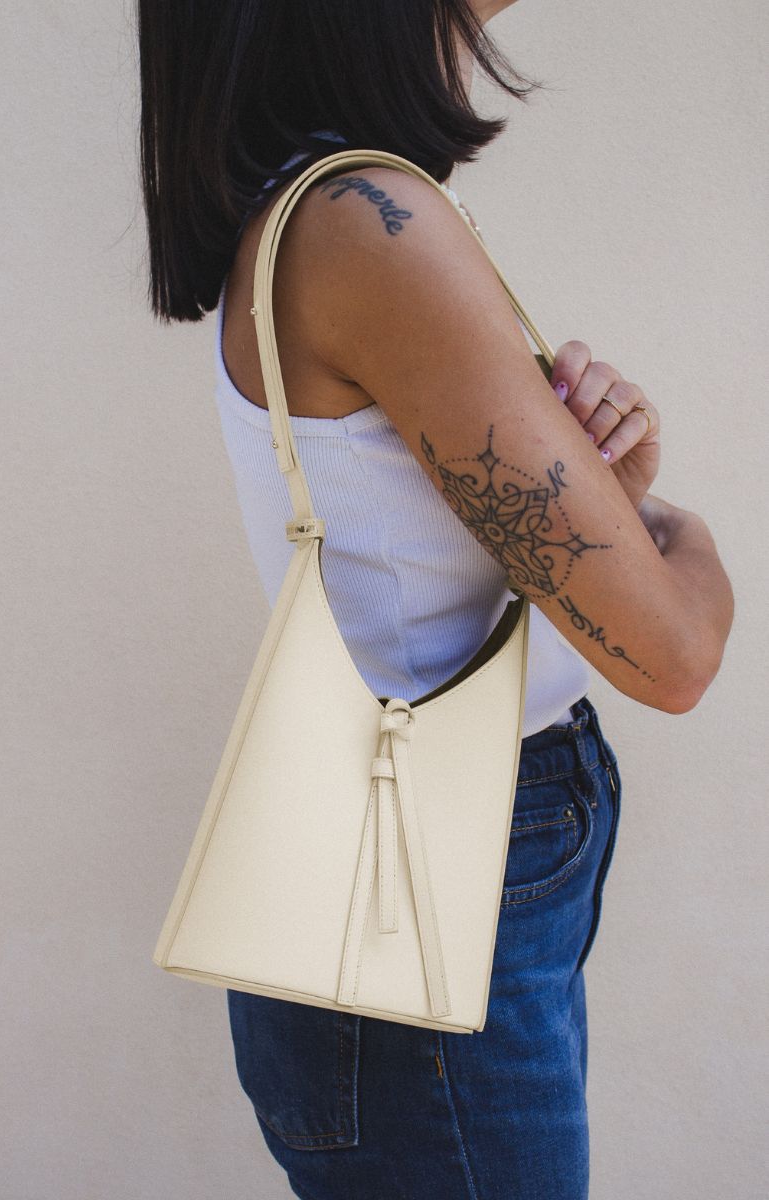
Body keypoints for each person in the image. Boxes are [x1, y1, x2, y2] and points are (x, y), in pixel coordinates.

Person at [136, 1, 735, 1196]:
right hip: (429, 882)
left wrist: (607, 503)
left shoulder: (334, 208)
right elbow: (671, 658)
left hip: (431, 869)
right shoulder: (364, 226)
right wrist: (683, 537)